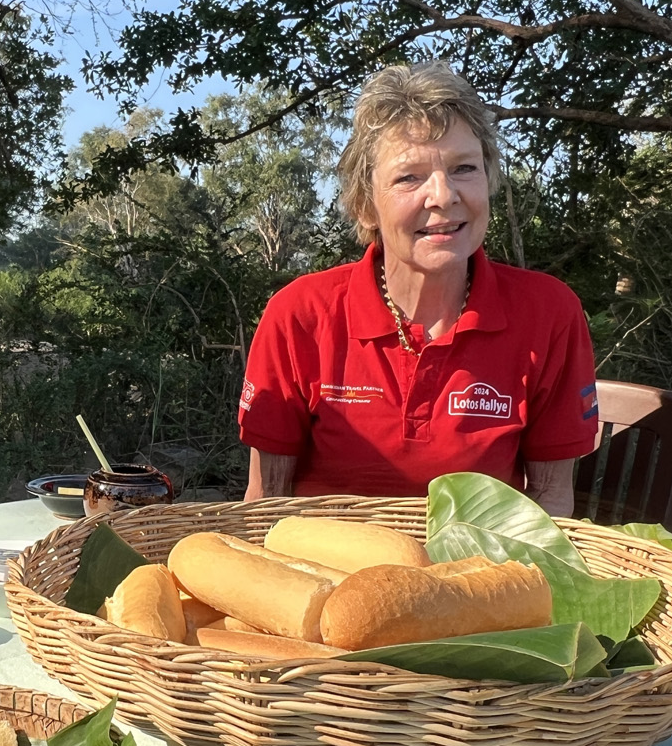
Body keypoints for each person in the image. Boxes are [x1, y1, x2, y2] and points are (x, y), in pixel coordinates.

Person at [238, 61, 598, 515]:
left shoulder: (547, 313)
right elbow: (266, 498)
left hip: (478, 560)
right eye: (409, 177)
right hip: (319, 559)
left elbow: (551, 497)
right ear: (365, 204)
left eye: (464, 168)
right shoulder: (300, 315)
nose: (443, 196)